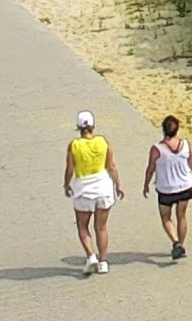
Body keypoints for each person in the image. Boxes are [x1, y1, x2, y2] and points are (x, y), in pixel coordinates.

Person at [63, 110, 124, 275]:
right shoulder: (103, 142)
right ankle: (103, 261)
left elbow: (70, 168)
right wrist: (118, 185)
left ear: (78, 127)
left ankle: (91, 255)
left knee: (83, 226)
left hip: (83, 189)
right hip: (103, 187)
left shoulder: (74, 145)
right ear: (93, 126)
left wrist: (66, 184)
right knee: (101, 227)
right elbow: (111, 166)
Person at [143, 115, 192, 260]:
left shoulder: (157, 149)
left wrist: (146, 184)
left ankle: (176, 243)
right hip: (185, 186)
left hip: (166, 189)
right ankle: (181, 244)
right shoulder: (186, 144)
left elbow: (150, 169)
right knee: (182, 216)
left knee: (166, 218)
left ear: (163, 129)